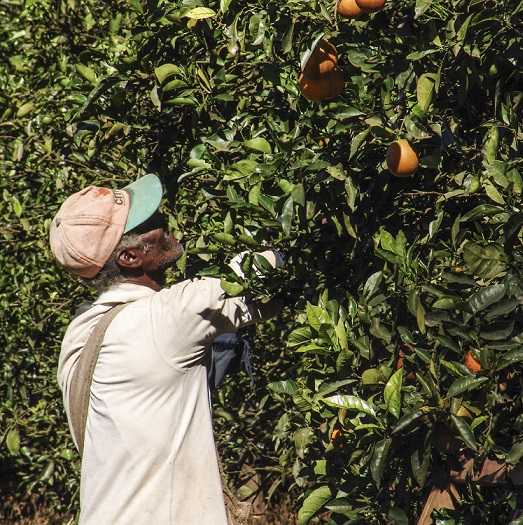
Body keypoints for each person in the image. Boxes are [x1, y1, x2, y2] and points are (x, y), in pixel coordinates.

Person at [49, 174, 281, 525]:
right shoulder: (165, 318)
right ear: (129, 257)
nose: (163, 221)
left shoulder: (79, 333)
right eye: (149, 222)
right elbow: (276, 270)